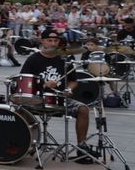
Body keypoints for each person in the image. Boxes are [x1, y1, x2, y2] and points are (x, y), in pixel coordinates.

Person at [18, 28, 92, 161]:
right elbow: (24, 81)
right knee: (20, 108)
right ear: (42, 41)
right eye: (49, 40)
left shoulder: (64, 59)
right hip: (37, 99)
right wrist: (43, 84)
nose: (53, 43)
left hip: (60, 99)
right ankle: (26, 143)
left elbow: (73, 81)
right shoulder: (33, 59)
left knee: (83, 109)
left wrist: (69, 90)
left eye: (55, 40)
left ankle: (82, 146)